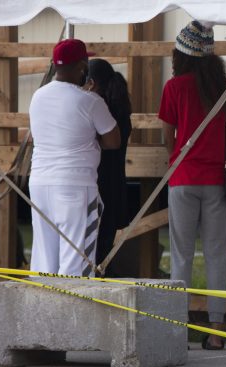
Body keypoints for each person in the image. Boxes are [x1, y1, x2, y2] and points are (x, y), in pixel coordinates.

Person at [158, 21, 226, 350]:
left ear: (182, 55)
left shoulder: (174, 87)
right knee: (216, 255)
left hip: (183, 177)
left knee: (182, 255)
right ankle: (216, 331)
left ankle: (178, 330)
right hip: (215, 179)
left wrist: (176, 158)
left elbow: (168, 134)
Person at [29, 39, 120, 276]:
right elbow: (113, 141)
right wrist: (92, 139)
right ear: (82, 66)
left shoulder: (37, 96)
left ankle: (42, 301)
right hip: (75, 186)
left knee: (44, 261)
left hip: (39, 183)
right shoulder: (90, 101)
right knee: (76, 263)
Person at [85, 59, 132, 275]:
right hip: (115, 185)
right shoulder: (120, 107)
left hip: (97, 184)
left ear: (92, 83)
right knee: (104, 249)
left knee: (89, 250)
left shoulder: (97, 107)